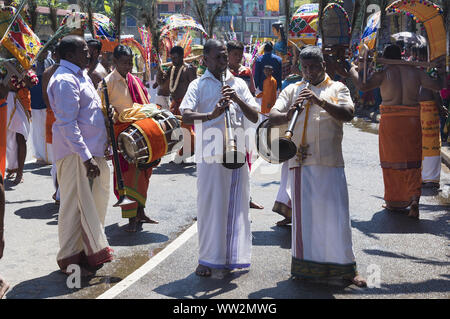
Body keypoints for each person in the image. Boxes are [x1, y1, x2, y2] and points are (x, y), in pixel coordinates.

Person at [269, 45, 366, 287]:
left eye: (314, 67)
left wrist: (320, 101)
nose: (309, 71)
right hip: (300, 163)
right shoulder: (292, 89)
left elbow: (348, 114)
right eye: (305, 67)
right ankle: (305, 266)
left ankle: (346, 269)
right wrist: (291, 110)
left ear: (323, 65)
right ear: (300, 67)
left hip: (331, 163)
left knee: (337, 216)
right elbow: (273, 114)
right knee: (306, 220)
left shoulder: (337, 88)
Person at [180, 39, 259, 277]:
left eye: (225, 57)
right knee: (210, 207)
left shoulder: (238, 85)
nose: (223, 61)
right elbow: (185, 116)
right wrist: (211, 114)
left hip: (236, 155)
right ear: (205, 60)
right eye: (218, 57)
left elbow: (254, 116)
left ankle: (235, 256)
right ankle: (207, 259)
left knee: (237, 207)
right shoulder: (198, 85)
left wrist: (237, 99)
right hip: (210, 156)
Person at [347, 44, 443, 219]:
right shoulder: (416, 72)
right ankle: (414, 199)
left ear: (385, 56)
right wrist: (442, 70)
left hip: (391, 121)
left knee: (391, 161)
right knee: (413, 161)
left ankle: (394, 201)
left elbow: (363, 86)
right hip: (412, 120)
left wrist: (353, 69)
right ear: (401, 56)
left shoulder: (383, 73)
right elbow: (438, 85)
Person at [47, 35, 113, 275]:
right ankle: (70, 260)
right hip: (77, 155)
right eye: (84, 50)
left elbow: (89, 114)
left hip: (93, 152)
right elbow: (67, 124)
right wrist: (86, 158)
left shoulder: (80, 75)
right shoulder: (64, 80)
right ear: (70, 54)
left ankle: (88, 253)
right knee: (74, 206)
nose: (89, 54)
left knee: (94, 203)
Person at [100, 44, 158, 232]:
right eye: (124, 63)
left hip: (142, 134)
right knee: (127, 177)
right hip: (122, 137)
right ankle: (131, 219)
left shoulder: (136, 80)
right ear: (114, 62)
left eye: (130, 63)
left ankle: (141, 212)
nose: (128, 66)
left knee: (144, 173)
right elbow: (101, 112)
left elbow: (146, 102)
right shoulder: (106, 83)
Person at [227, 40, 263, 210]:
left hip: (245, 119)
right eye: (235, 54)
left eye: (240, 54)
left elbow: (252, 92)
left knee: (246, 159)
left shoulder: (246, 72)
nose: (238, 58)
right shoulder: (220, 74)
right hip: (225, 124)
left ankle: (246, 197)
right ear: (227, 55)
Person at [159, 46, 197, 159]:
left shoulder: (189, 69)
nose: (173, 60)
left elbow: (195, 87)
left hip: (185, 104)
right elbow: (162, 84)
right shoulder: (172, 69)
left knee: (185, 129)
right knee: (176, 129)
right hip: (175, 103)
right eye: (172, 58)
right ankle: (189, 149)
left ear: (182, 57)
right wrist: (158, 73)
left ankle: (185, 152)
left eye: (175, 58)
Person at [415, 45, 445, 188]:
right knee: (432, 145)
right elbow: (436, 91)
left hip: (421, 113)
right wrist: (441, 108)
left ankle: (424, 176)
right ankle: (430, 178)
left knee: (424, 145)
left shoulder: (416, 71)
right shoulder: (427, 72)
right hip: (428, 113)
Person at [6, 71, 37, 184]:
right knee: (8, 138)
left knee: (20, 136)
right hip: (6, 101)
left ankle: (20, 172)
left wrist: (23, 78)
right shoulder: (3, 65)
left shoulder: (24, 65)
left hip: (21, 101)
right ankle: (12, 166)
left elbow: (33, 82)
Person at [42, 43, 61, 204]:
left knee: (58, 160)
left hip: (54, 117)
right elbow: (47, 99)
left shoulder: (48, 72)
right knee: (58, 161)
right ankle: (59, 192)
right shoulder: (50, 73)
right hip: (56, 118)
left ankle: (59, 193)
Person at [30, 51, 54, 164]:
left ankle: (49, 157)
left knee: (47, 130)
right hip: (34, 101)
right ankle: (40, 155)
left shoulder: (50, 62)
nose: (42, 54)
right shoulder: (31, 62)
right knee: (37, 130)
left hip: (46, 101)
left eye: (44, 52)